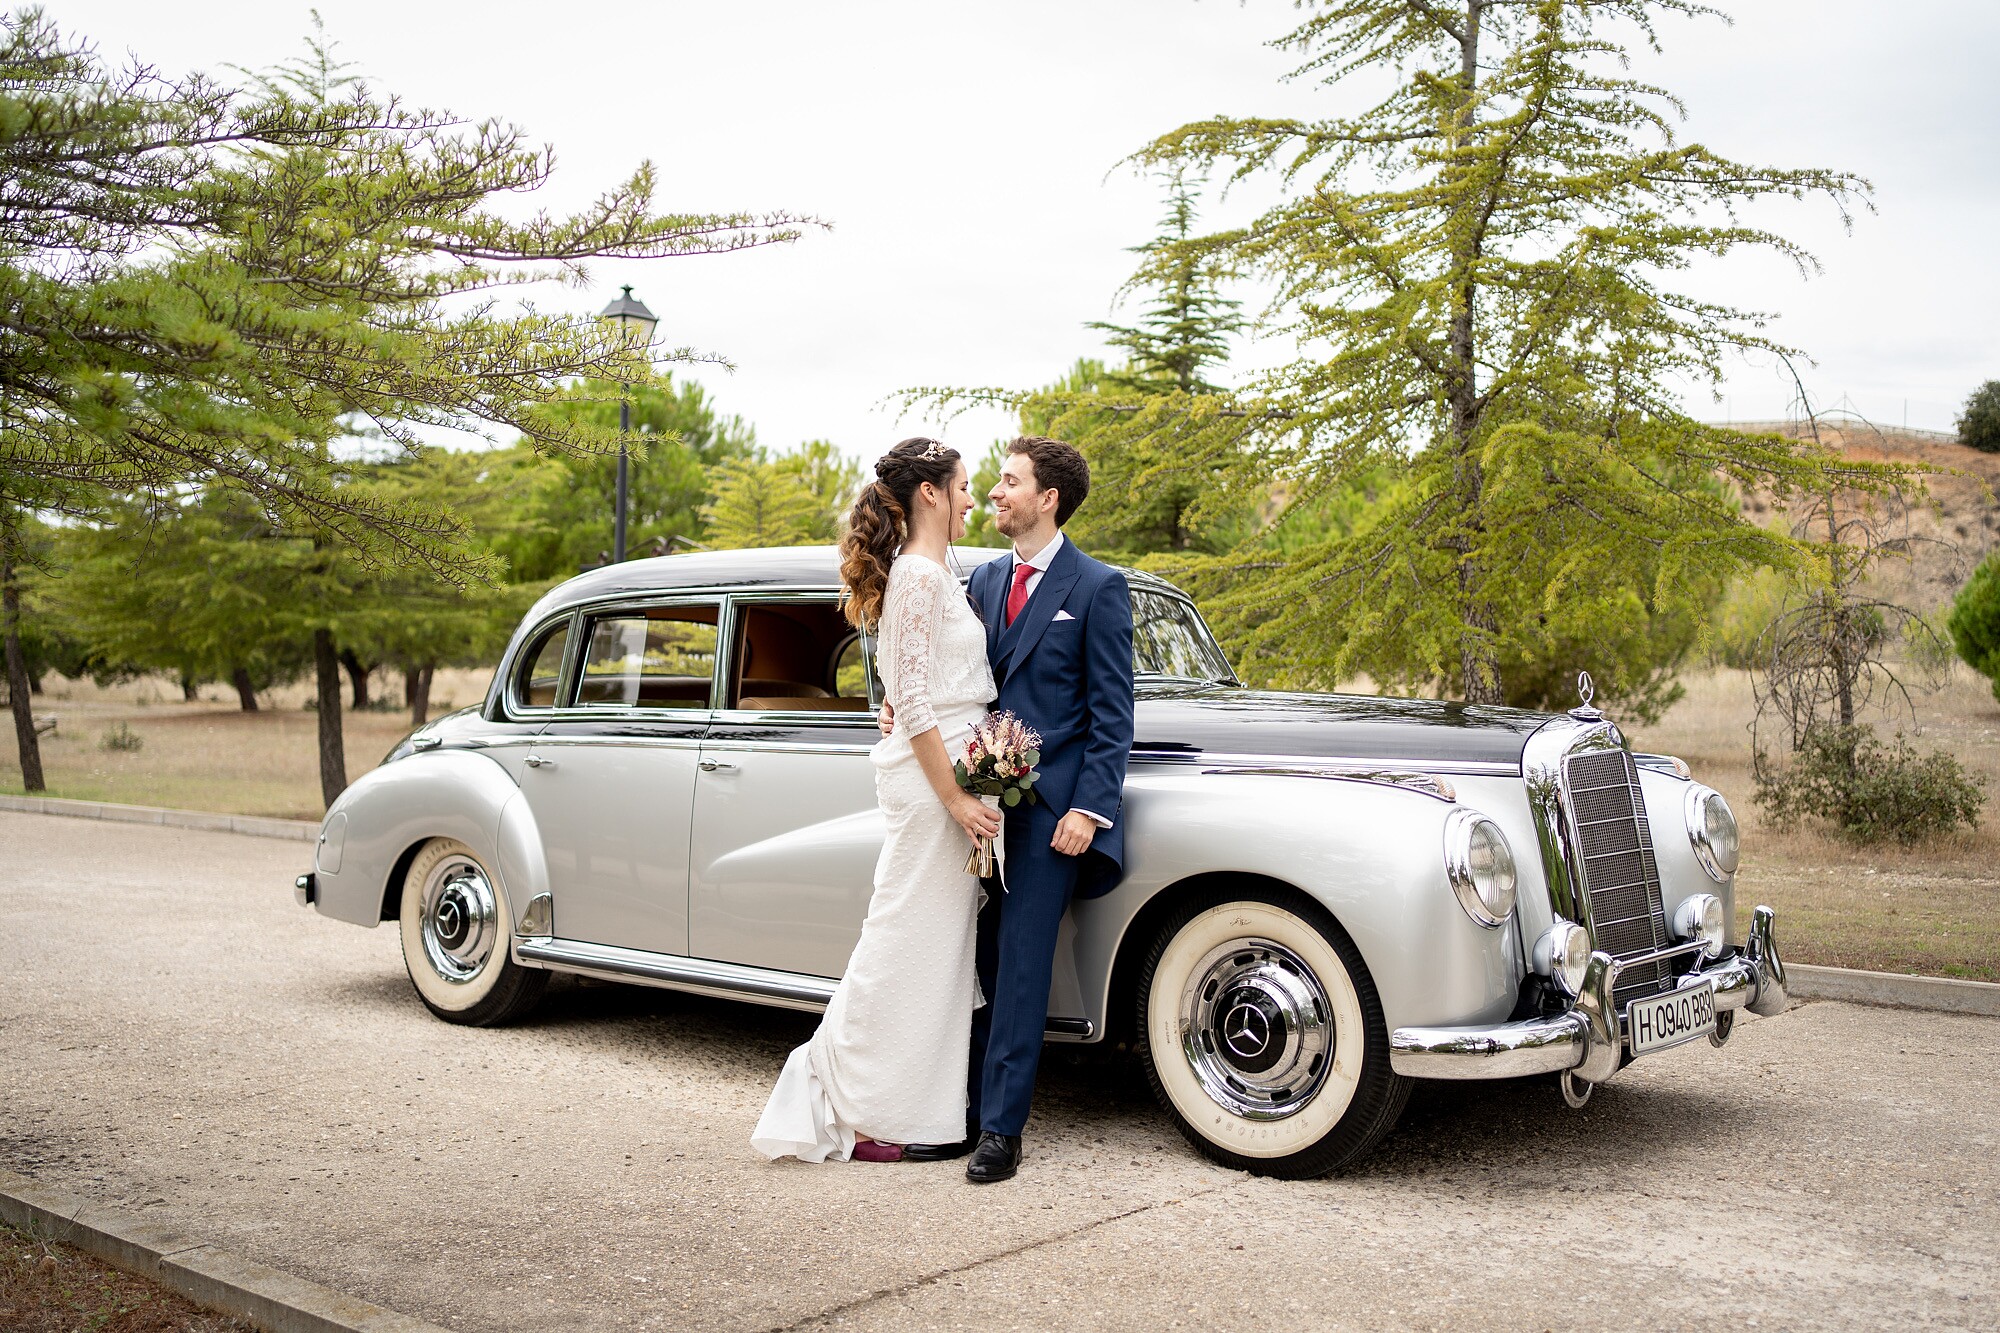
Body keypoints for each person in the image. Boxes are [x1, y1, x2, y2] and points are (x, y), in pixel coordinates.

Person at [889, 435, 1136, 1184]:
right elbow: (940, 664)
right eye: (991, 482)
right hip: (973, 803)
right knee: (974, 960)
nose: (994, 493)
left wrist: (1088, 809)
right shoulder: (984, 578)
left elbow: (1112, 715)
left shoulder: (1098, 587)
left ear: (1047, 498)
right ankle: (954, 1115)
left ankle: (1000, 1129)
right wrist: (896, 706)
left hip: (1051, 815)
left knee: (1023, 966)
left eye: (1009, 481)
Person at [749, 438, 1003, 1164]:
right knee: (901, 940)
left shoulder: (937, 571)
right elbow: (915, 701)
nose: (970, 499)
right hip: (934, 788)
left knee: (934, 950)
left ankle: (906, 1105)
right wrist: (956, 798)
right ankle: (845, 1099)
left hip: (947, 771)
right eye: (962, 486)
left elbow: (909, 684)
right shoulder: (918, 575)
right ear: (930, 493)